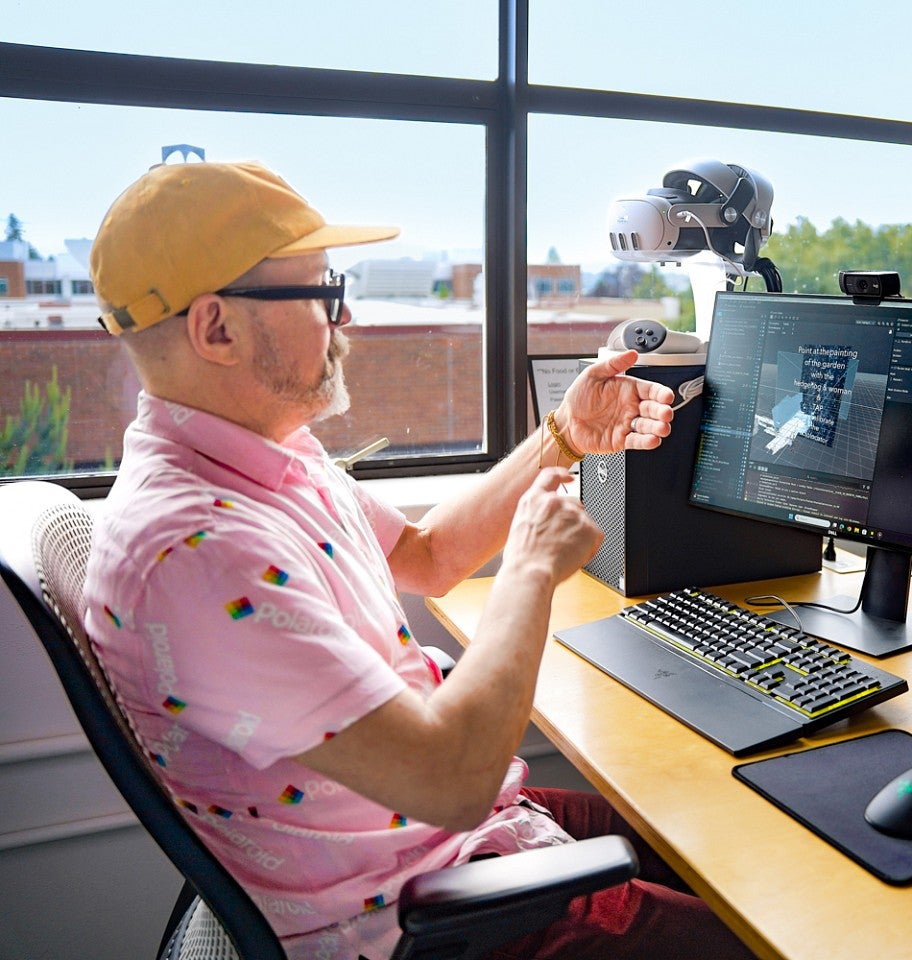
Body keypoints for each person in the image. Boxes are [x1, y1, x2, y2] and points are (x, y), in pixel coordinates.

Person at [82, 161, 754, 960]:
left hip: (448, 842)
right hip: (429, 915)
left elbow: (430, 556)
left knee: (730, 843)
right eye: (322, 293)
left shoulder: (262, 457)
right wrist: (532, 569)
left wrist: (564, 435)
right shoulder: (195, 553)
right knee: (779, 934)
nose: (346, 316)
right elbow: (454, 781)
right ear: (216, 329)